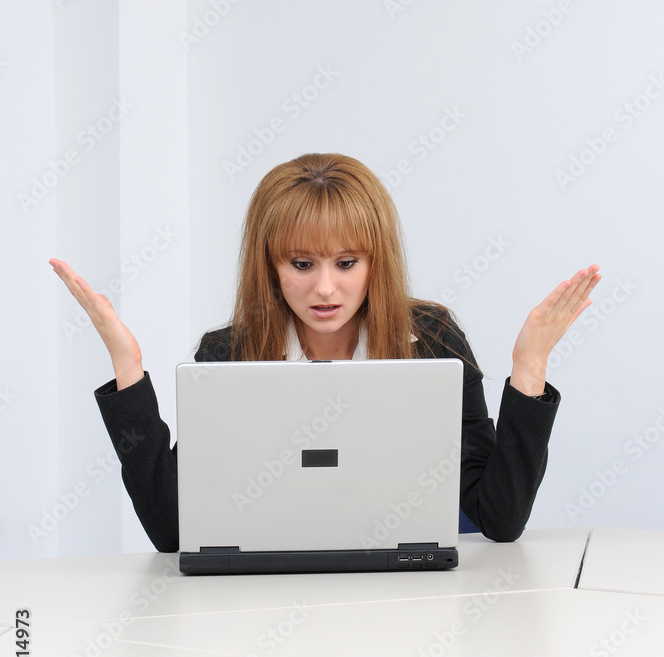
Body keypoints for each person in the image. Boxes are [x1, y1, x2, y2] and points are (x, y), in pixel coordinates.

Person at [50, 152, 600, 551]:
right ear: (270, 265)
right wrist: (128, 368)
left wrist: (530, 367)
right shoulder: (229, 352)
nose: (325, 289)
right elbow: (172, 530)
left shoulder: (431, 339)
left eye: (346, 263)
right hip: (269, 588)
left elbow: (498, 519)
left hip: (406, 592)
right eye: (302, 264)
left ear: (375, 261)